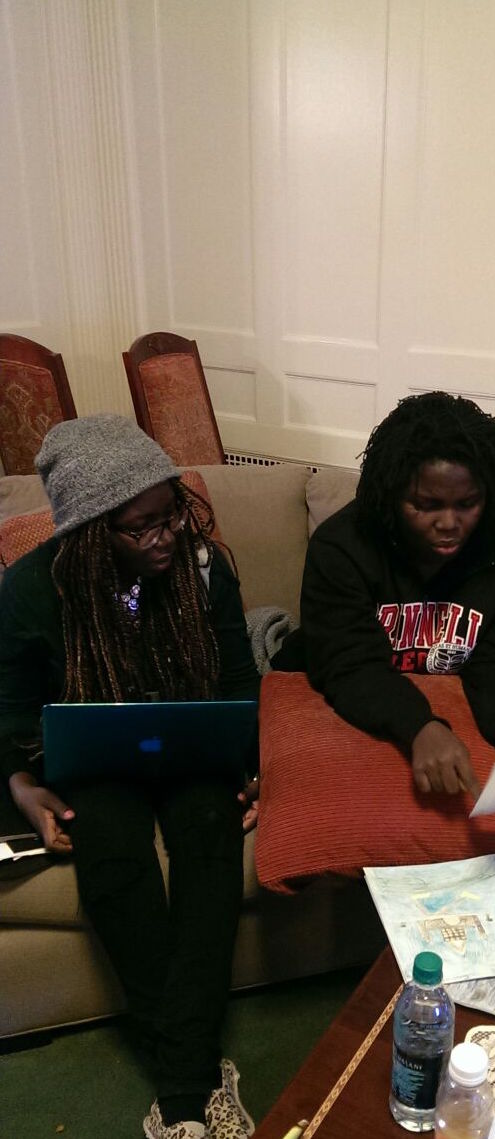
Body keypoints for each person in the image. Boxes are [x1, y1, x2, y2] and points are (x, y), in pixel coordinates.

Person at [0, 415, 260, 1139]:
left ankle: (177, 1090)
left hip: (192, 752)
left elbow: (241, 680)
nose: (164, 537)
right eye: (138, 527)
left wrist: (251, 760)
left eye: (170, 514)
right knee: (110, 847)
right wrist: (21, 785)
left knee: (210, 837)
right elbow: (8, 710)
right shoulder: (30, 591)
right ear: (89, 532)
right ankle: (196, 1080)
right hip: (98, 765)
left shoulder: (206, 568)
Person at [280, 390, 495, 806]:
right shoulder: (341, 546)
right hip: (345, 705)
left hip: (435, 717)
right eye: (426, 505)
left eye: (468, 504)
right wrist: (420, 727)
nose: (450, 523)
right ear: (391, 495)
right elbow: (348, 665)